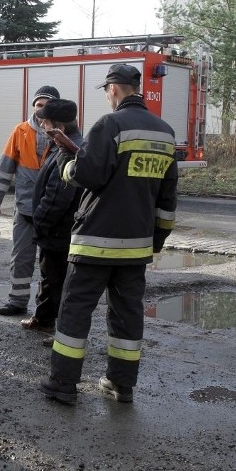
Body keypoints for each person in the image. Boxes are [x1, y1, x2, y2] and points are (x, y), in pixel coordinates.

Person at [40, 64, 178, 404]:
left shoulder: (109, 125)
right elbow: (167, 199)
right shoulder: (164, 132)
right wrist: (154, 241)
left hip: (95, 243)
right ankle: (122, 385)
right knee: (128, 315)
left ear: (115, 89)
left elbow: (88, 176)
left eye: (106, 90)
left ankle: (63, 384)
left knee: (75, 310)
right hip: (137, 247)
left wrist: (64, 158)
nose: (106, 95)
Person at [0, 86, 56, 318]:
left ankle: (46, 308)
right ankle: (17, 302)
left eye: (47, 105)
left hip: (53, 210)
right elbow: (4, 169)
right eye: (39, 105)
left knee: (52, 262)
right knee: (21, 257)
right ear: (33, 107)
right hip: (25, 208)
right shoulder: (20, 131)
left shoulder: (63, 133)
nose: (42, 109)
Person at [28, 98, 83, 340]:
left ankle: (59, 331)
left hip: (59, 231)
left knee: (57, 280)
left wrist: (40, 222)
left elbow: (57, 196)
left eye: (46, 123)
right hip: (60, 230)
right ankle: (44, 319)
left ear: (58, 128)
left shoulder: (68, 151)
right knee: (51, 278)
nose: (42, 127)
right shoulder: (68, 146)